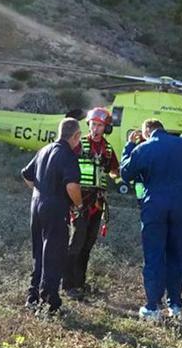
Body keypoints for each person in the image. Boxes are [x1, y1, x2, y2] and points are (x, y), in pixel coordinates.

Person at [121, 119, 182, 321]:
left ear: (147, 131)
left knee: (154, 255)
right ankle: (176, 305)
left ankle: (153, 307)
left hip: (154, 206)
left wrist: (129, 146)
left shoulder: (143, 148)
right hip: (181, 206)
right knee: (177, 254)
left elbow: (126, 174)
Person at [21, 117, 83, 315]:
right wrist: (78, 204)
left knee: (39, 252)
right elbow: (72, 185)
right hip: (55, 207)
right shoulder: (68, 155)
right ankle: (50, 303)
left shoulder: (44, 150)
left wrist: (41, 190)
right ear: (76, 136)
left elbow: (26, 175)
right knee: (54, 254)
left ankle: (33, 298)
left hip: (36, 205)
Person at [64, 107, 119, 301]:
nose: (95, 129)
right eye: (93, 124)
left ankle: (79, 281)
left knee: (88, 244)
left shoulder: (108, 148)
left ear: (106, 128)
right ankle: (68, 284)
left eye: (100, 126)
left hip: (98, 203)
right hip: (80, 201)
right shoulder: (80, 144)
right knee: (76, 242)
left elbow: (115, 170)